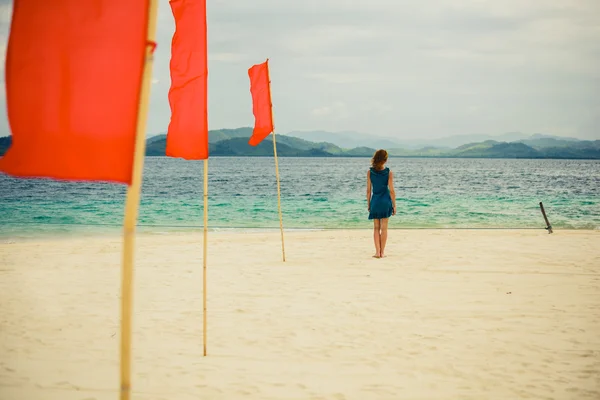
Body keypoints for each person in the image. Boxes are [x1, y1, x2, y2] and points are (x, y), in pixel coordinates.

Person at [366, 149, 396, 258]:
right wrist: (394, 205)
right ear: (385, 160)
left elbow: (368, 190)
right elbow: (392, 190)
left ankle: (377, 252)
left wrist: (368, 204)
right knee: (384, 228)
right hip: (385, 202)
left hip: (375, 201)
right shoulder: (389, 172)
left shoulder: (370, 172)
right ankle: (382, 252)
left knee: (375, 228)